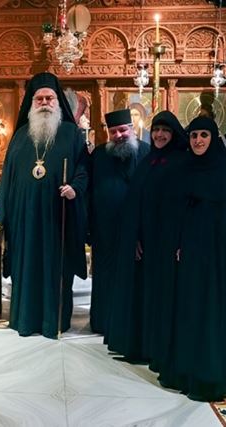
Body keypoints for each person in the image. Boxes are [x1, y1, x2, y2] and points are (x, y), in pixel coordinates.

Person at [0, 72, 90, 337]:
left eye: (50, 98)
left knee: (55, 268)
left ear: (58, 102)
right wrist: (0, 212)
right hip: (23, 218)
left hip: (58, 216)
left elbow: (84, 169)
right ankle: (25, 320)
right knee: (26, 266)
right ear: (31, 103)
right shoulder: (20, 135)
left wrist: (75, 189)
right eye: (40, 99)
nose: (45, 103)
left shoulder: (71, 134)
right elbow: (7, 177)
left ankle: (52, 322)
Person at [158, 116, 226, 402]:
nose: (198, 140)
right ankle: (185, 372)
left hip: (217, 256)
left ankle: (210, 376)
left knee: (212, 310)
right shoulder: (185, 168)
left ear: (213, 138)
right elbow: (175, 211)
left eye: (204, 135)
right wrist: (179, 242)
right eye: (194, 135)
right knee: (189, 309)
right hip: (189, 252)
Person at [104, 111, 189, 364]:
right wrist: (135, 237)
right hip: (145, 242)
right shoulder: (149, 161)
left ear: (174, 134)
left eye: (165, 131)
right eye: (156, 130)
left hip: (168, 241)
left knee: (163, 296)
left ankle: (159, 349)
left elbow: (184, 206)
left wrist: (180, 241)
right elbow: (135, 204)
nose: (160, 135)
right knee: (143, 295)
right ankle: (141, 346)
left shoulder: (182, 162)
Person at [88, 109, 150, 335]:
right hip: (104, 231)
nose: (118, 135)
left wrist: (141, 234)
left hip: (135, 232)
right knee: (104, 277)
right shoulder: (99, 155)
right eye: (113, 132)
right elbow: (89, 191)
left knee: (132, 279)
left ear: (132, 129)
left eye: (123, 130)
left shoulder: (146, 152)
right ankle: (103, 323)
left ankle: (128, 326)